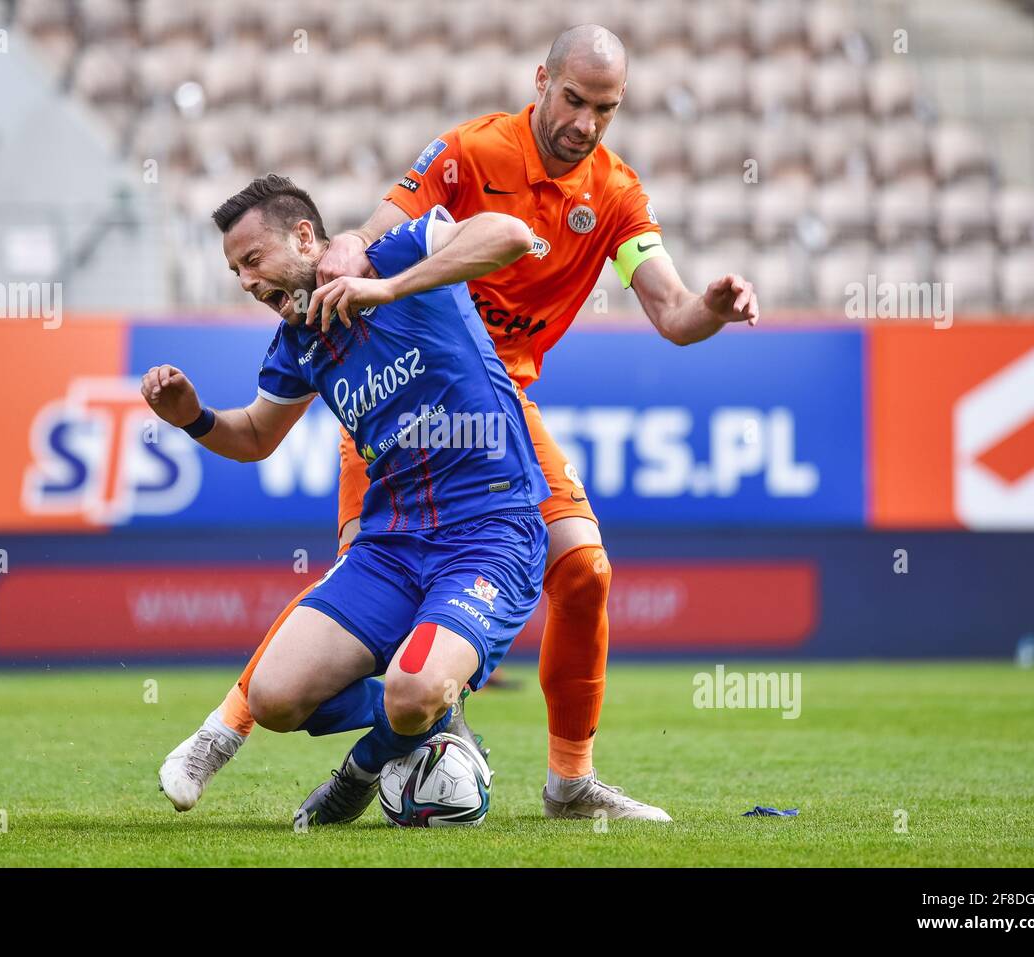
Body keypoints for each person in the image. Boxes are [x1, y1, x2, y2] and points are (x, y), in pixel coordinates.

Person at [173, 24, 758, 822]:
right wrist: (365, 274)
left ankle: (564, 782)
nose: (586, 122)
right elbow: (363, 238)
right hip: (390, 395)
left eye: (606, 109)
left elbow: (675, 313)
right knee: (355, 589)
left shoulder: (617, 198)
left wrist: (713, 310)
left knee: (584, 569)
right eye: (575, 100)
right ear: (542, 81)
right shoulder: (470, 153)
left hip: (494, 401)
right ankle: (238, 728)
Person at [149, 174, 548, 825]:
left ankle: (362, 768)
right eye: (235, 271)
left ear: (306, 237)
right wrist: (192, 417)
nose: (247, 282)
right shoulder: (300, 341)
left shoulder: (397, 254)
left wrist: (385, 286)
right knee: (275, 699)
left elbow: (510, 235)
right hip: (390, 547)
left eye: (253, 260)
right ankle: (425, 718)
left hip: (489, 531)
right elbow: (254, 435)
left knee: (411, 685)